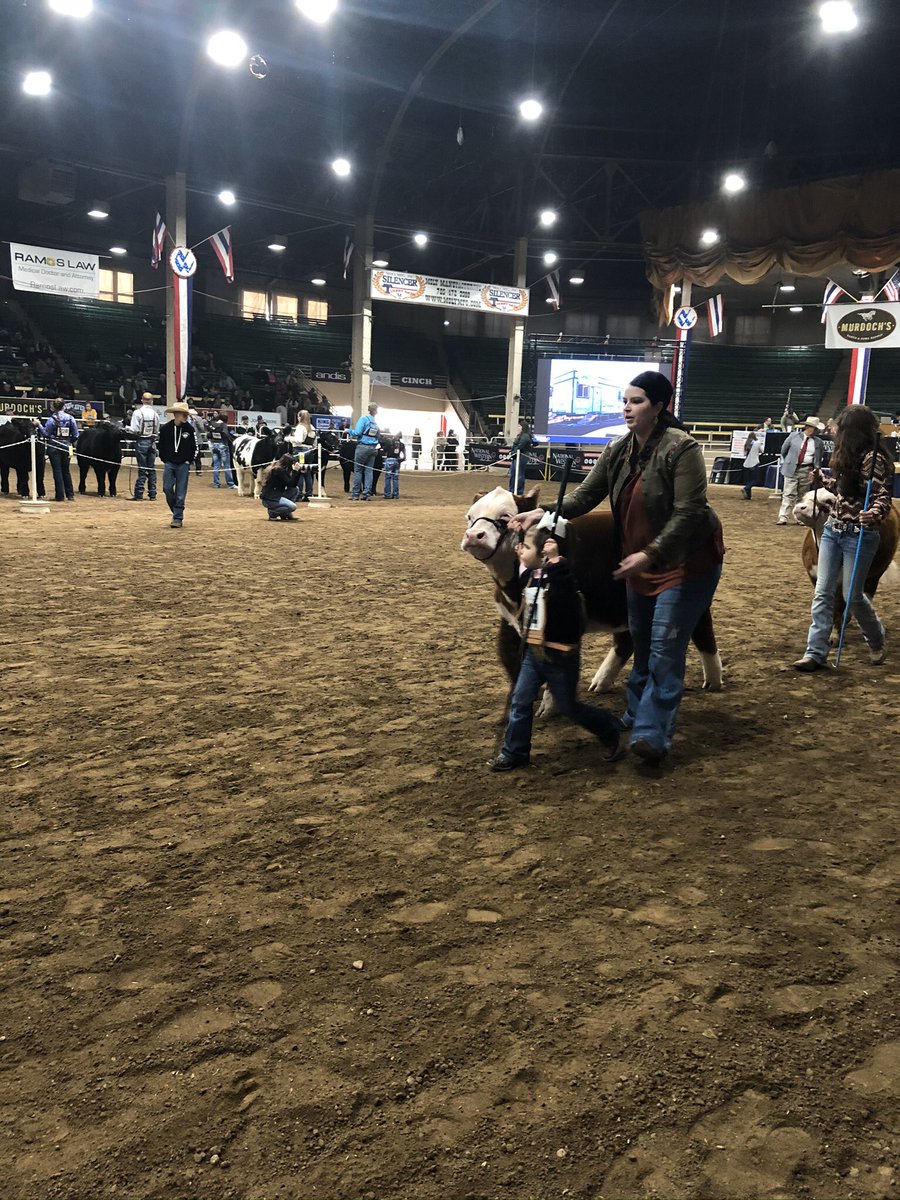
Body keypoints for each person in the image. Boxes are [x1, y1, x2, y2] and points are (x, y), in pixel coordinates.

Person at [511, 371, 724, 767]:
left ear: (659, 407)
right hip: (640, 561)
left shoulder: (683, 449)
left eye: (637, 401)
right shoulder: (618, 449)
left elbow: (690, 511)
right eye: (625, 400)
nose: (627, 407)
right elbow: (587, 495)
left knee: (663, 647)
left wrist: (651, 553)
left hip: (685, 562)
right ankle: (635, 713)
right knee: (641, 644)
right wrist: (544, 512)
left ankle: (651, 734)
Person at [488, 522, 623, 772]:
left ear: (543, 555)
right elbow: (521, 565)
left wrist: (556, 561)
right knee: (520, 700)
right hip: (534, 652)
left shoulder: (561, 580)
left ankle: (609, 727)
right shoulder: (528, 575)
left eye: (525, 547)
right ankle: (514, 752)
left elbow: (565, 586)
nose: (518, 550)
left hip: (560, 656)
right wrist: (521, 531)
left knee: (569, 706)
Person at [793, 405, 893, 671]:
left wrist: (873, 513)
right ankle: (815, 652)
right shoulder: (844, 455)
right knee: (823, 593)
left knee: (853, 595)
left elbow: (882, 496)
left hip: (860, 534)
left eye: (839, 428)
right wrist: (824, 479)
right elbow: (842, 490)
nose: (834, 431)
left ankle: (876, 637)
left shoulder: (874, 459)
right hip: (833, 531)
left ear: (852, 431)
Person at [157, 400, 197, 529]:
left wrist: (188, 460)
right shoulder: (165, 429)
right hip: (169, 463)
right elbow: (160, 445)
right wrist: (165, 459)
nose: (185, 416)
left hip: (183, 465)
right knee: (167, 488)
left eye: (186, 414)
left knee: (181, 492)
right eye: (183, 414)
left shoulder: (190, 430)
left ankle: (178, 517)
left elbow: (194, 447)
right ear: (176, 414)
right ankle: (176, 511)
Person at [777, 416, 824, 525]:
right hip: (792, 468)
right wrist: (790, 461)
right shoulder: (793, 436)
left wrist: (816, 469)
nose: (816, 431)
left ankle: (799, 517)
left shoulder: (818, 442)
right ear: (807, 427)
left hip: (807, 469)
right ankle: (783, 516)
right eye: (814, 428)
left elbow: (818, 457)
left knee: (802, 495)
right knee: (788, 493)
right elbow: (784, 450)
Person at [37, 399, 79, 501]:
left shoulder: (52, 419)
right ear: (63, 406)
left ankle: (60, 495)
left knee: (57, 471)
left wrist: (38, 425)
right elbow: (76, 435)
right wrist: (69, 441)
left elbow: (46, 434)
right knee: (66, 470)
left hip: (54, 446)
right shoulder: (70, 418)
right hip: (66, 446)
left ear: (54, 407)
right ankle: (70, 494)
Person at [128, 392, 160, 501]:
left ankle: (139, 493)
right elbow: (157, 430)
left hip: (141, 440)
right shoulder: (155, 414)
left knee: (142, 468)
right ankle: (152, 494)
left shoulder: (138, 413)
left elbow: (135, 429)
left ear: (142, 400)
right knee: (151, 468)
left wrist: (127, 429)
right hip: (152, 442)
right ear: (151, 401)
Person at [351, 400, 380, 500]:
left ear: (368, 409)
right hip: (373, 448)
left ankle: (355, 494)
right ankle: (367, 493)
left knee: (358, 470)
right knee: (369, 471)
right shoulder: (375, 422)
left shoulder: (363, 419)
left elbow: (357, 432)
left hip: (363, 447)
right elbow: (378, 436)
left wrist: (349, 431)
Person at [259, 453, 302, 521]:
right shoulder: (278, 470)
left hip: (276, 495)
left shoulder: (281, 469)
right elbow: (290, 483)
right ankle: (273, 512)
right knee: (292, 507)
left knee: (295, 489)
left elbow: (293, 485)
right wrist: (295, 471)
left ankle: (286, 514)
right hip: (270, 499)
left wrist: (298, 472)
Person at [289, 409, 317, 501]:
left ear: (300, 417)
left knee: (299, 472)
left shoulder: (300, 427)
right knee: (307, 472)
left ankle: (299, 494)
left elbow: (299, 440)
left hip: (300, 451)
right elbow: (315, 442)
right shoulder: (312, 427)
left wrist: (288, 438)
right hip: (309, 450)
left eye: (298, 416)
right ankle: (309, 494)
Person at [741, 418, 771, 500]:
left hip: (746, 464)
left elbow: (744, 454)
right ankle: (746, 488)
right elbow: (762, 451)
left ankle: (748, 495)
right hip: (754, 463)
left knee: (748, 480)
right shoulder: (757, 443)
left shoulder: (746, 444)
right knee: (755, 480)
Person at [207, 412, 237, 489]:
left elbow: (208, 435)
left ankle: (216, 484)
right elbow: (225, 434)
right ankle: (230, 484)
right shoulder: (223, 425)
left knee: (216, 466)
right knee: (227, 466)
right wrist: (232, 439)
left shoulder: (213, 424)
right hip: (223, 446)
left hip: (214, 445)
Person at [509, 420, 533, 494]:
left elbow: (520, 446)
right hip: (516, 456)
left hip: (521, 456)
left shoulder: (525, 436)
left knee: (519, 473)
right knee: (513, 473)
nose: (518, 427)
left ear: (523, 427)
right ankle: (512, 489)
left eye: (519, 426)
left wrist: (513, 452)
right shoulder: (520, 435)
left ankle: (519, 491)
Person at [382, 430, 406, 499]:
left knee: (388, 478)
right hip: (397, 461)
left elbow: (384, 450)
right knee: (395, 478)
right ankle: (395, 494)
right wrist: (400, 460)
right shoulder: (401, 445)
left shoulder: (390, 442)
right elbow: (404, 456)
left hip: (389, 459)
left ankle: (387, 494)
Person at [188, 408, 208, 477]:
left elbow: (202, 429)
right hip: (188, 439)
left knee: (198, 456)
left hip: (197, 439)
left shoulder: (198, 419)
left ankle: (198, 470)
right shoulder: (186, 418)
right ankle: (187, 470)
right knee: (187, 455)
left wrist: (196, 421)